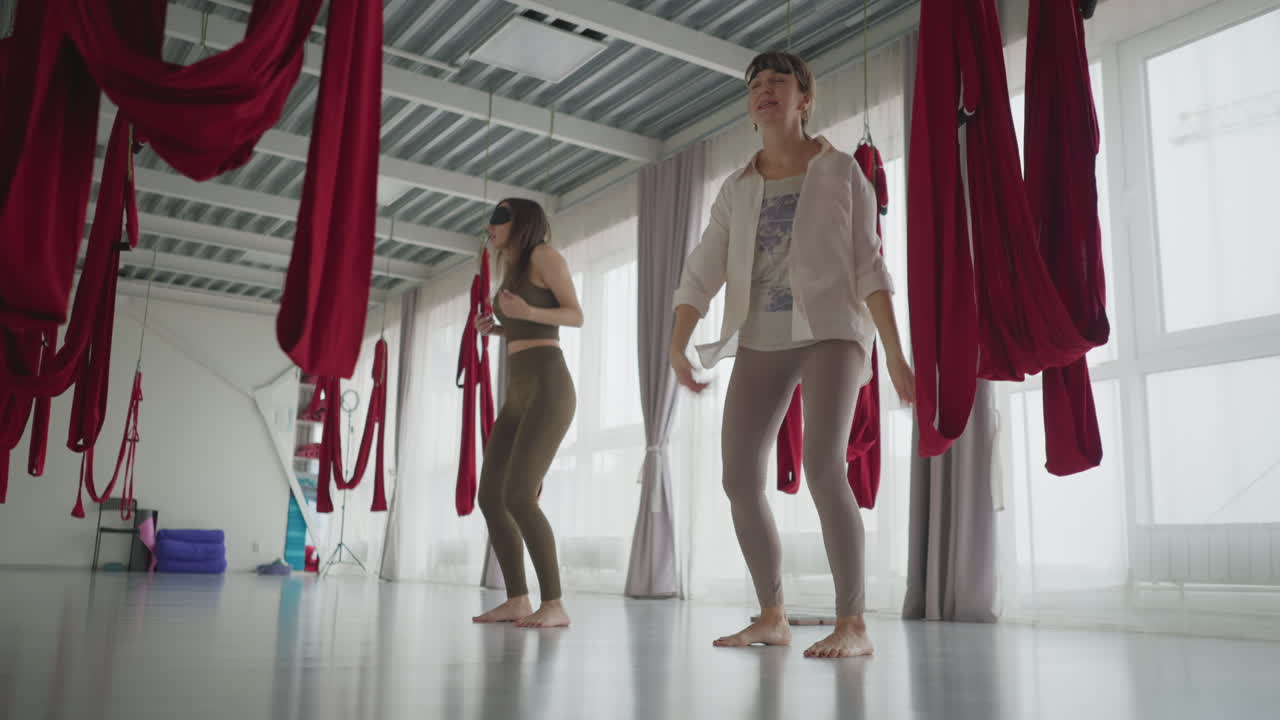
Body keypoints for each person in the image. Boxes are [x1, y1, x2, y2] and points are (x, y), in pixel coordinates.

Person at [669, 52, 915, 659]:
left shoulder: (841, 173)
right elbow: (701, 269)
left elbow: (868, 265)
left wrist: (897, 355)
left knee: (824, 467)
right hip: (760, 336)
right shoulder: (738, 187)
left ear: (805, 99)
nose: (764, 90)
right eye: (755, 84)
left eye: (778, 81)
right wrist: (678, 343)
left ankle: (852, 623)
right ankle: (772, 613)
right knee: (737, 476)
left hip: (831, 330)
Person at [471, 198, 583, 629]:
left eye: (500, 219)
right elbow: (526, 325)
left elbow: (575, 315)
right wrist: (499, 327)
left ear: (521, 224)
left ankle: (554, 604)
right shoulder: (512, 269)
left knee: (519, 495)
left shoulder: (544, 256)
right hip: (518, 389)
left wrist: (527, 312)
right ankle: (518, 599)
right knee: (490, 497)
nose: (491, 226)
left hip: (550, 387)